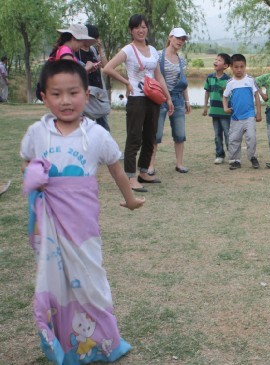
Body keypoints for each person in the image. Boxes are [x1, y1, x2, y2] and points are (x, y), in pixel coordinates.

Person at [20, 59, 144, 364]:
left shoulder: (96, 135)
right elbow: (27, 161)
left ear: (86, 95)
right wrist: (32, 174)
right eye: (57, 94)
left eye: (73, 92)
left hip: (83, 227)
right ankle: (65, 342)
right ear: (44, 97)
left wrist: (130, 200)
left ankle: (105, 341)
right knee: (56, 282)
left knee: (92, 280)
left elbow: (116, 169)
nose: (65, 101)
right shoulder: (37, 133)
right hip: (49, 226)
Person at [103, 14, 173, 192]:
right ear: (131, 30)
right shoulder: (128, 49)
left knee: (150, 136)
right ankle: (130, 177)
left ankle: (144, 172)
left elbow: (158, 76)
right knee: (134, 137)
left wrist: (168, 98)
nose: (141, 30)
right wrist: (126, 82)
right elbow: (108, 68)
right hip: (136, 98)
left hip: (153, 97)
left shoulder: (153, 50)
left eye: (143, 27)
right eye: (137, 27)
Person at [149, 27, 191, 175]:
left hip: (178, 98)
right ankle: (150, 165)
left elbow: (183, 82)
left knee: (180, 133)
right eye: (178, 38)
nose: (180, 41)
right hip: (160, 98)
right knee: (156, 133)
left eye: (183, 39)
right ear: (170, 37)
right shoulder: (158, 56)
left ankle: (179, 164)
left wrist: (187, 101)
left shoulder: (182, 60)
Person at [222, 54, 262, 170]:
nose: (239, 69)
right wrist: (225, 108)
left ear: (245, 66)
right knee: (234, 139)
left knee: (251, 137)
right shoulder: (230, 83)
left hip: (249, 115)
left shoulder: (250, 80)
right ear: (231, 67)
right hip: (236, 117)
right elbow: (224, 96)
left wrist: (258, 113)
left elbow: (256, 95)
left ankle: (253, 157)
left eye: (241, 67)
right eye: (236, 67)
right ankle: (235, 160)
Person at [76, 24, 111, 131]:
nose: (96, 40)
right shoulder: (76, 51)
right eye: (94, 38)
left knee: (104, 129)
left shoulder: (93, 50)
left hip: (98, 92)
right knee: (86, 127)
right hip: (86, 92)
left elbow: (106, 66)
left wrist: (100, 49)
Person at [203, 53, 231, 164]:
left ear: (225, 66)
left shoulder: (228, 80)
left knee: (228, 134)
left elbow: (231, 96)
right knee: (217, 135)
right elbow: (207, 92)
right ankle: (219, 155)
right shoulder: (210, 77)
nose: (216, 61)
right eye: (215, 59)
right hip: (214, 111)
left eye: (219, 60)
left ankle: (231, 154)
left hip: (225, 112)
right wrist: (205, 107)